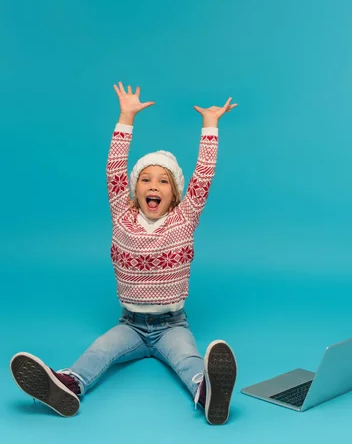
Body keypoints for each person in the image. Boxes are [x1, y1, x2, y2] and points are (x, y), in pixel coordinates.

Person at [10, 83, 238, 425]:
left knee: (189, 360)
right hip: (130, 324)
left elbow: (203, 176)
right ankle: (67, 384)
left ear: (175, 195)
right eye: (146, 180)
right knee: (98, 352)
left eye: (163, 182)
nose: (153, 187)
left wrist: (210, 125)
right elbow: (114, 169)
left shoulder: (184, 217)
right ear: (135, 190)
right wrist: (126, 116)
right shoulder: (122, 214)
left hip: (171, 324)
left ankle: (207, 393)